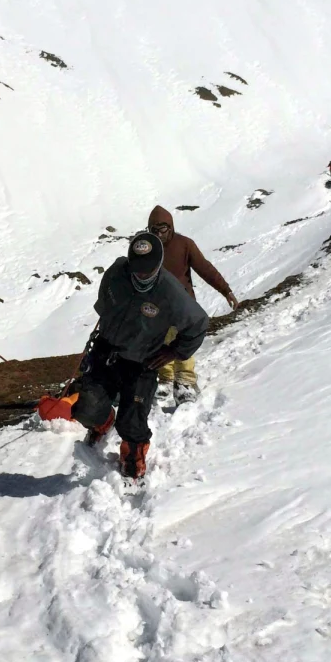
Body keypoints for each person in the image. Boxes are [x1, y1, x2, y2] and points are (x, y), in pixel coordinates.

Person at [71, 232, 209, 481]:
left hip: (142, 362)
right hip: (106, 352)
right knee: (86, 410)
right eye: (137, 268)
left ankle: (133, 450)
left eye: (149, 269)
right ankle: (103, 421)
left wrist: (174, 351)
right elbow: (104, 302)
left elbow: (198, 323)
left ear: (159, 264)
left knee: (132, 420)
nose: (142, 274)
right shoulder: (116, 273)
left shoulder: (169, 291)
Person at [145, 205, 237, 402]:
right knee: (161, 342)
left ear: (171, 227)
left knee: (184, 341)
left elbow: (205, 268)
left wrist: (225, 290)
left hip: (183, 305)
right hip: (156, 307)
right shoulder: (146, 248)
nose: (159, 234)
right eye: (154, 230)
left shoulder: (185, 244)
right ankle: (165, 379)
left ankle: (184, 381)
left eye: (163, 228)